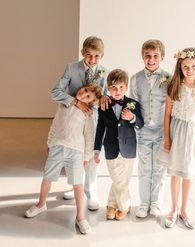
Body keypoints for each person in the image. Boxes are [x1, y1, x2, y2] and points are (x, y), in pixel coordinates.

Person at [24, 84, 103, 234]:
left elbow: (89, 136)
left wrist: (86, 157)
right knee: (47, 177)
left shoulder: (88, 113)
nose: (83, 94)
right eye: (85, 90)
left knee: (77, 183)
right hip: (57, 146)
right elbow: (55, 124)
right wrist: (50, 142)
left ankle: (80, 217)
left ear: (91, 103)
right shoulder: (64, 104)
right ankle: (41, 204)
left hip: (76, 151)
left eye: (88, 97)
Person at [51, 36, 109, 210]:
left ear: (102, 56)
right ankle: (76, 185)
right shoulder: (71, 68)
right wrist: (77, 102)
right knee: (76, 153)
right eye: (89, 55)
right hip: (73, 120)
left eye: (96, 56)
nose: (92, 60)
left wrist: (103, 99)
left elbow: (105, 97)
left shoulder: (104, 72)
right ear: (82, 52)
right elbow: (55, 92)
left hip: (93, 120)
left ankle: (92, 191)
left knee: (90, 154)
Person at [163, 48, 195, 229]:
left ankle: (184, 209)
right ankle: (173, 209)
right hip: (178, 132)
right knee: (176, 173)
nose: (189, 70)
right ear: (180, 67)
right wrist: (167, 139)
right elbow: (167, 115)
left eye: (192, 67)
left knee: (189, 173)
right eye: (185, 67)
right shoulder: (174, 87)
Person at [94, 69, 144, 220]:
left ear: (126, 87)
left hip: (129, 147)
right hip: (111, 147)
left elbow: (140, 124)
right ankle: (124, 206)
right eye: (114, 88)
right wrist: (96, 150)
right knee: (119, 179)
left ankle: (111, 205)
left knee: (123, 179)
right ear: (108, 88)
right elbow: (100, 128)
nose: (117, 91)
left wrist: (132, 117)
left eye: (121, 87)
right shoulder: (104, 106)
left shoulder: (133, 104)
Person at [129, 39, 170, 218]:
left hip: (162, 131)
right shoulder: (135, 78)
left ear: (162, 57)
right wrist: (136, 126)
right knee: (145, 167)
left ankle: (156, 203)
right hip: (144, 130)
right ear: (142, 56)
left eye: (155, 56)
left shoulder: (168, 78)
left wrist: (169, 132)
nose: (151, 59)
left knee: (160, 168)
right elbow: (133, 104)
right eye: (148, 56)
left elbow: (171, 106)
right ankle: (144, 202)